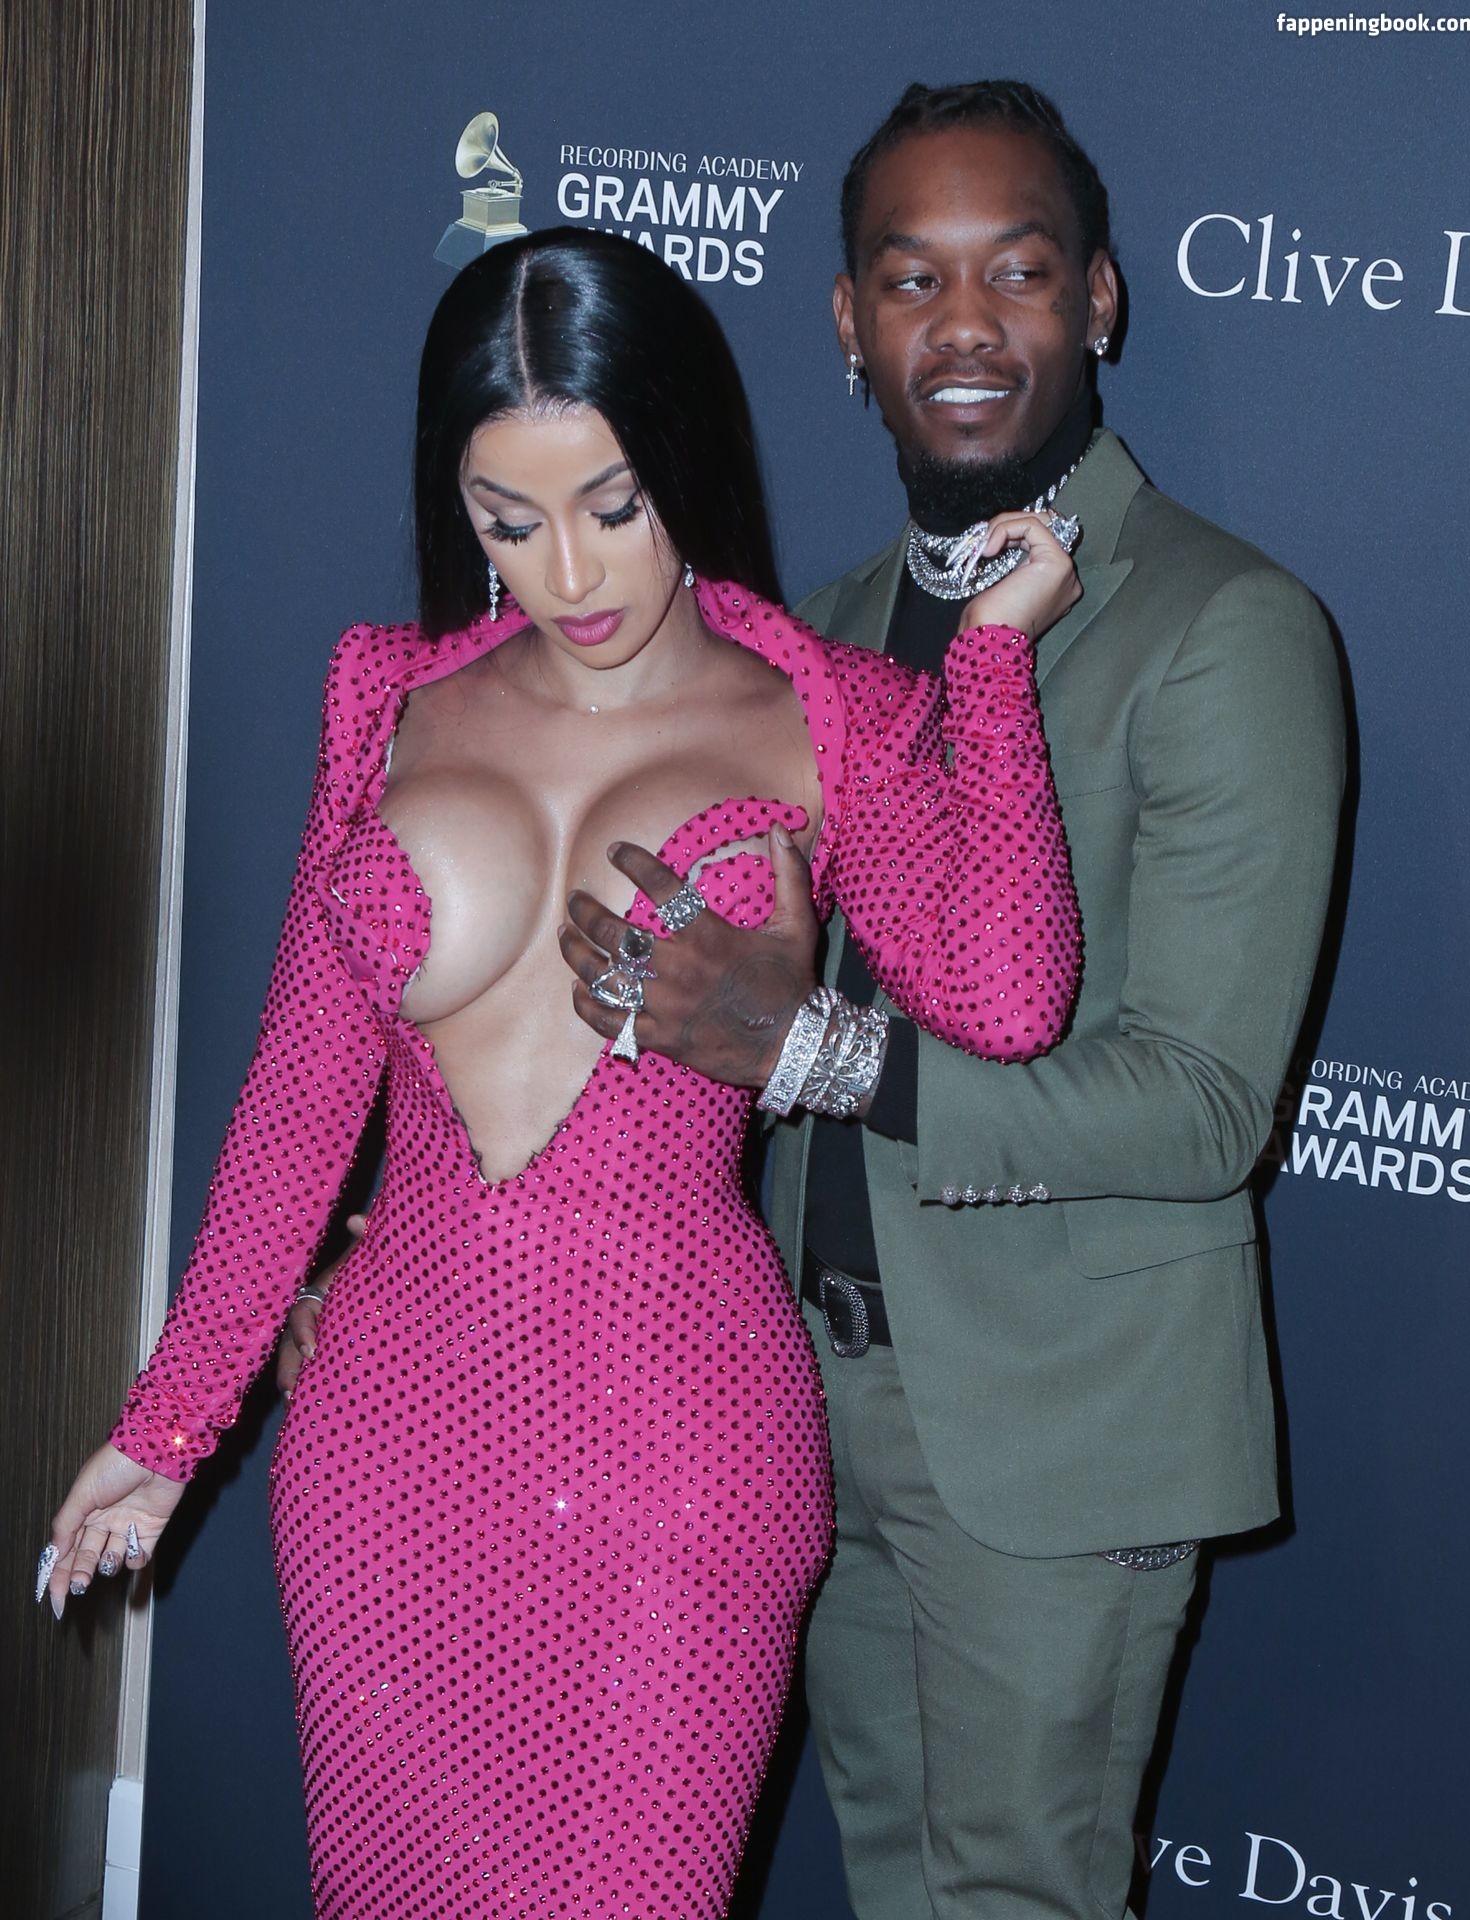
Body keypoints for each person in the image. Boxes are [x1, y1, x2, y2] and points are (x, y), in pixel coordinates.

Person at [39, 227, 1082, 1918]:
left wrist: (995, 664)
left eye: (613, 504)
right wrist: (170, 1427)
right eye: (506, 521)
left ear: (684, 462)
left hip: (680, 1454)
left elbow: (1011, 998)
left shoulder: (832, 715)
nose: (570, 574)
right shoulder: (386, 700)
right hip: (385, 1452)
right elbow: (300, 1098)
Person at [558, 83, 1347, 1920]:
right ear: (849, 322)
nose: (967, 324)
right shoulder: (821, 632)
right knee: (889, 1887)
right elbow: (700, 1017)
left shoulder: (1222, 627)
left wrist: (815, 1049)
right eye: (914, 279)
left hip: (1057, 1426)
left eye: (1021, 271)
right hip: (792, 1392)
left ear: (1100, 301)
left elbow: (1202, 1105)